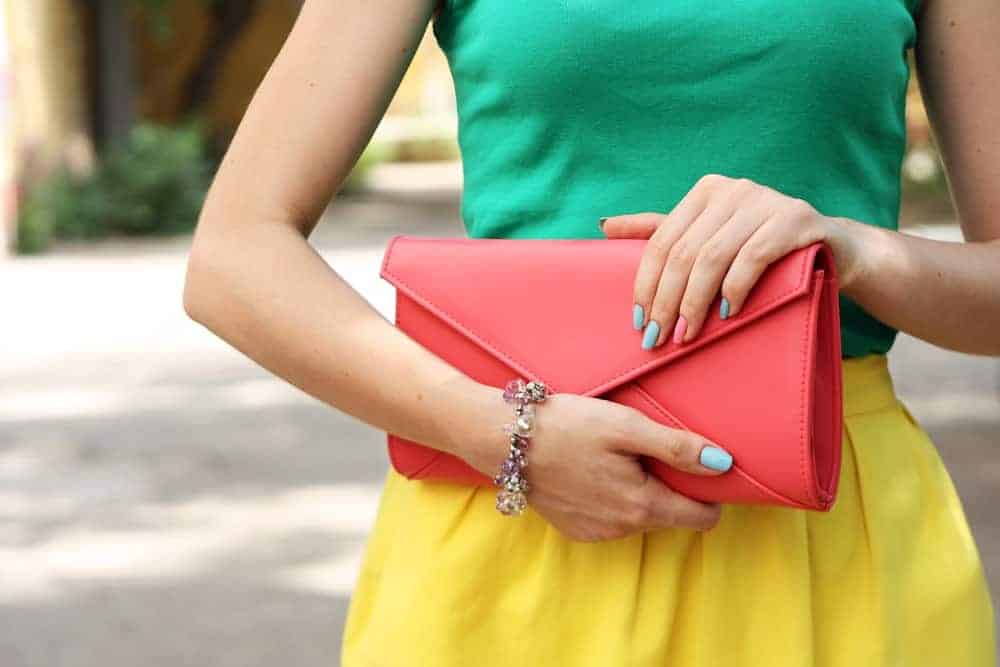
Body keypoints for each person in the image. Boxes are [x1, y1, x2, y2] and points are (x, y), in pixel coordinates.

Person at [182, 0, 999, 664]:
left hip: (833, 537)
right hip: (518, 523)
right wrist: (504, 433)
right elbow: (234, 255)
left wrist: (857, 251)